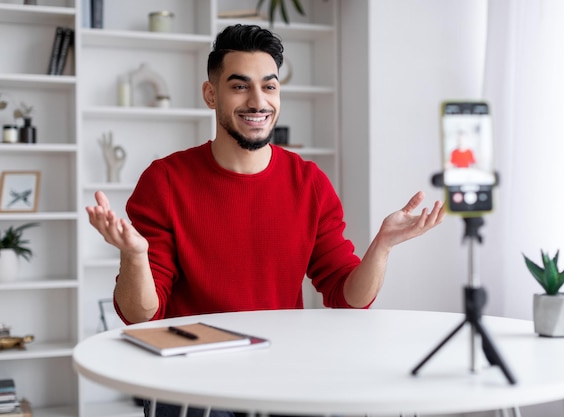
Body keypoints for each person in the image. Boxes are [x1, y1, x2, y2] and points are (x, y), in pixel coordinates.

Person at [86, 24, 445, 417]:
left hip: (282, 374)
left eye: (269, 87)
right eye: (239, 86)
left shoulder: (309, 182)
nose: (258, 101)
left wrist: (382, 247)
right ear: (211, 94)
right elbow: (141, 315)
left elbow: (346, 298)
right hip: (189, 381)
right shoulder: (165, 181)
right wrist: (135, 256)